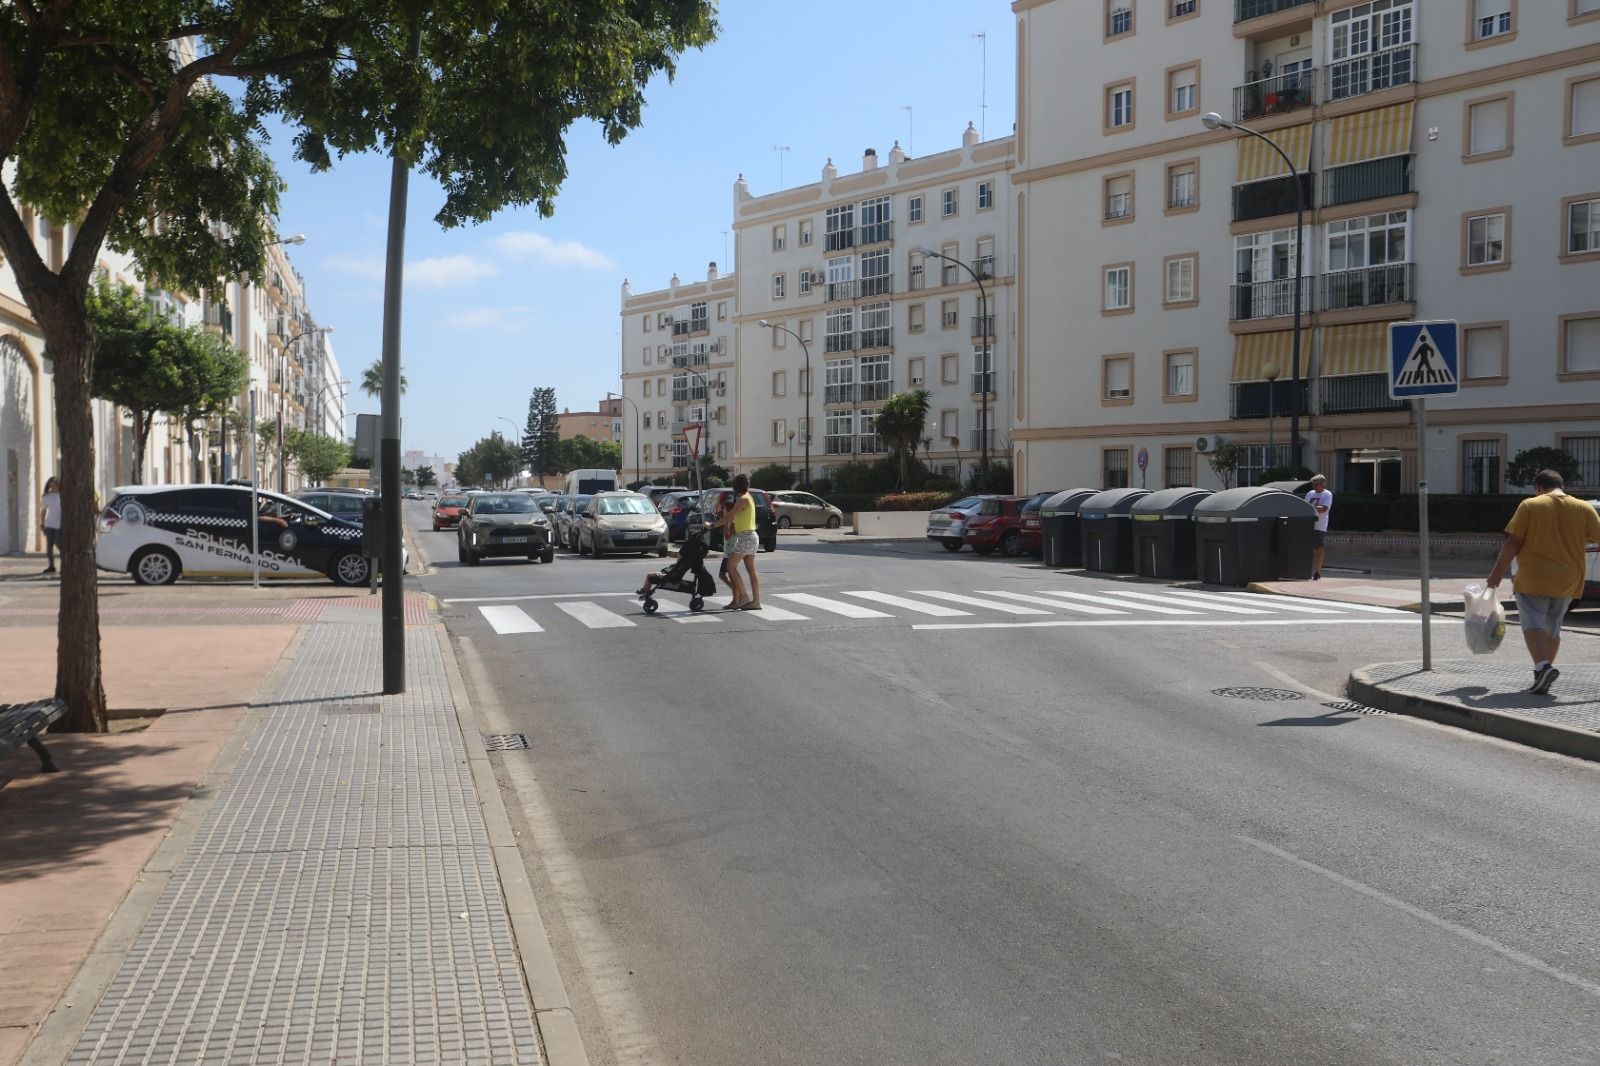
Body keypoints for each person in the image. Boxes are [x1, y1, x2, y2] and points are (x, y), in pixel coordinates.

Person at [1486, 469, 1600, 695]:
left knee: (1532, 622)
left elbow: (1513, 542)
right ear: (1562, 486)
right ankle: (1543, 675)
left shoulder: (1531, 505)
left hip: (1533, 576)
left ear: (1538, 488)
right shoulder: (1584, 508)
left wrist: (1496, 573)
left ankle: (1543, 667)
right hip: (1569, 579)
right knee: (1553, 626)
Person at [705, 474, 761, 610]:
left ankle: (744, 597)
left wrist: (712, 525)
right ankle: (756, 602)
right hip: (751, 536)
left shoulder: (743, 499)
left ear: (736, 486)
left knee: (730, 566)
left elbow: (729, 516)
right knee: (751, 570)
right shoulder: (749, 497)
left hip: (746, 537)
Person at [1305, 473, 1332, 580]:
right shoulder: (1310, 493)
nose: (1314, 486)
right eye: (1313, 484)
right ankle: (1307, 570)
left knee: (1318, 548)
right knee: (1308, 548)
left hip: (1320, 525)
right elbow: (1304, 505)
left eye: (1316, 484)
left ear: (1322, 484)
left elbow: (1324, 509)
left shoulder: (1327, 494)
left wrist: (1311, 507)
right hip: (1308, 525)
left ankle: (1317, 571)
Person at [38, 476, 61, 575]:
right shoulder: (46, 497)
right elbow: (43, 511)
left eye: (54, 484)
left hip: (60, 524)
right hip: (49, 524)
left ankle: (65, 563)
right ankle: (51, 566)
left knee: (58, 542)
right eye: (51, 485)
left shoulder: (62, 496)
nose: (52, 486)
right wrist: (42, 523)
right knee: (49, 547)